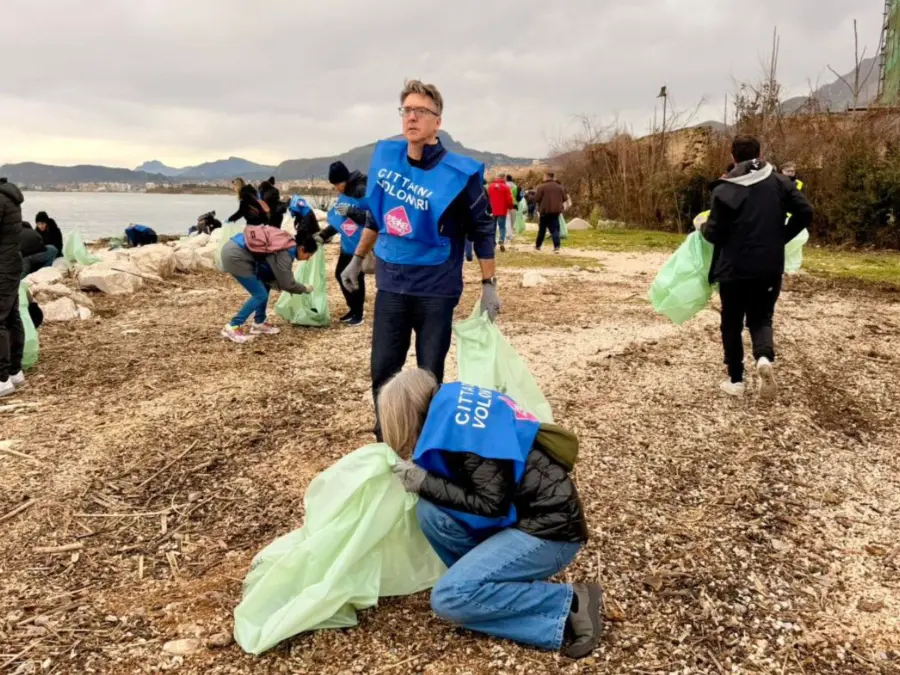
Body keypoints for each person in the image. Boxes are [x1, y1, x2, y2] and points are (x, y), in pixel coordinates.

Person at [380, 369, 602, 659]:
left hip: (551, 534)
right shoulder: (454, 410)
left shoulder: (465, 430)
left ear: (406, 415)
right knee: (430, 512)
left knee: (449, 598)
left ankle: (569, 601)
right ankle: (486, 588)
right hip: (525, 517)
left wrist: (424, 482)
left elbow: (490, 504)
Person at [338, 80, 498, 441]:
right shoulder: (387, 161)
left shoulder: (459, 175)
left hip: (436, 289)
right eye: (406, 110)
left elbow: (483, 228)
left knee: (429, 373)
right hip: (392, 284)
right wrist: (357, 259)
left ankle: (425, 444)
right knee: (382, 371)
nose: (411, 117)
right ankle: (386, 440)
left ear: (437, 122)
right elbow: (378, 216)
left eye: (420, 111)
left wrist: (489, 285)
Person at [701, 135, 813, 399]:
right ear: (759, 153)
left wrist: (702, 227)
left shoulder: (724, 189)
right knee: (761, 317)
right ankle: (763, 359)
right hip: (769, 266)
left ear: (733, 157)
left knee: (731, 322)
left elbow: (714, 234)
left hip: (733, 268)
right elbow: (806, 211)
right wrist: (781, 237)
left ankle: (736, 381)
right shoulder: (779, 181)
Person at [219, 227, 317, 343]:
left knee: (266, 283)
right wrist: (304, 288)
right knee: (260, 295)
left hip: (233, 247)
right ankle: (233, 326)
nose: (308, 259)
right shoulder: (285, 253)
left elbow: (272, 273)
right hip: (236, 256)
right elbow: (288, 284)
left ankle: (259, 323)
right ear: (301, 249)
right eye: (309, 255)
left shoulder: (286, 242)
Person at [319, 161, 369, 326]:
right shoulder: (345, 193)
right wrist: (324, 234)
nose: (337, 188)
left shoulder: (361, 190)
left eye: (338, 183)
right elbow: (339, 221)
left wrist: (351, 211)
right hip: (347, 242)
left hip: (360, 244)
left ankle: (359, 313)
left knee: (355, 277)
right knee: (340, 274)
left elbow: (372, 218)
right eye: (334, 185)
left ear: (346, 179)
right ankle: (353, 308)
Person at [0, 177, 26, 397]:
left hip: (3, 266)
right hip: (11, 263)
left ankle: (1, 379)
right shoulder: (9, 196)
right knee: (11, 316)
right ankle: (14, 371)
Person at [535, 172, 567, 253]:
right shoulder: (560, 187)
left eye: (543, 176)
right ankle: (557, 246)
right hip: (556, 211)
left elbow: (536, 199)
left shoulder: (541, 187)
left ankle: (538, 246)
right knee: (555, 229)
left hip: (544, 211)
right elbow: (564, 198)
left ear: (546, 177)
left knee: (542, 230)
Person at [487, 174, 514, 252]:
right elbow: (509, 199)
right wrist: (510, 206)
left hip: (492, 210)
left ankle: (492, 243)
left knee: (493, 227)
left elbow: (487, 197)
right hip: (502, 210)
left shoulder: (490, 186)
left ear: (497, 177)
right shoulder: (505, 187)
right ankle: (501, 240)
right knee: (502, 226)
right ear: (503, 178)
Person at [505, 174, 520, 243]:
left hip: (506, 205)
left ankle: (508, 234)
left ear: (506, 179)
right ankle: (510, 234)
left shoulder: (504, 185)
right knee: (512, 220)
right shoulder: (515, 186)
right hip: (514, 204)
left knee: (507, 220)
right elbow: (519, 197)